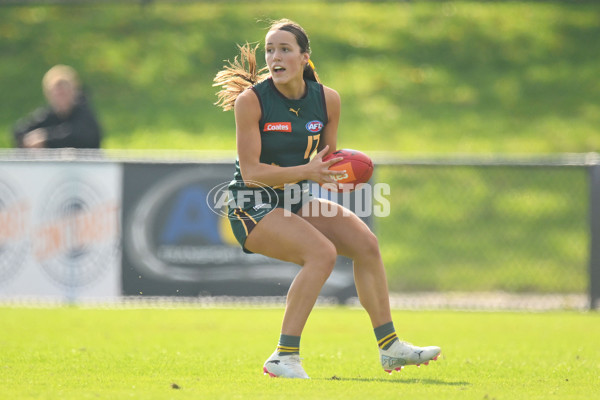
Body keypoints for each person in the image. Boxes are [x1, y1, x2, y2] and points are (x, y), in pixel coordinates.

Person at [213, 19, 440, 379]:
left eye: (285, 49)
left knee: (366, 244)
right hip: (251, 205)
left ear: (305, 57)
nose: (275, 56)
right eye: (270, 49)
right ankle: (283, 356)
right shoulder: (251, 101)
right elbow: (253, 172)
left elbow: (328, 162)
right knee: (321, 253)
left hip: (296, 197)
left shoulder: (327, 99)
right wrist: (308, 172)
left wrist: (341, 175)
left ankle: (390, 347)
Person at [13, 64, 102, 149]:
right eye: (57, 94)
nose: (60, 98)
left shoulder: (84, 113)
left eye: (64, 93)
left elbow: (80, 136)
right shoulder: (49, 114)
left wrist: (46, 139)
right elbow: (19, 130)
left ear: (74, 91)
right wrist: (31, 139)